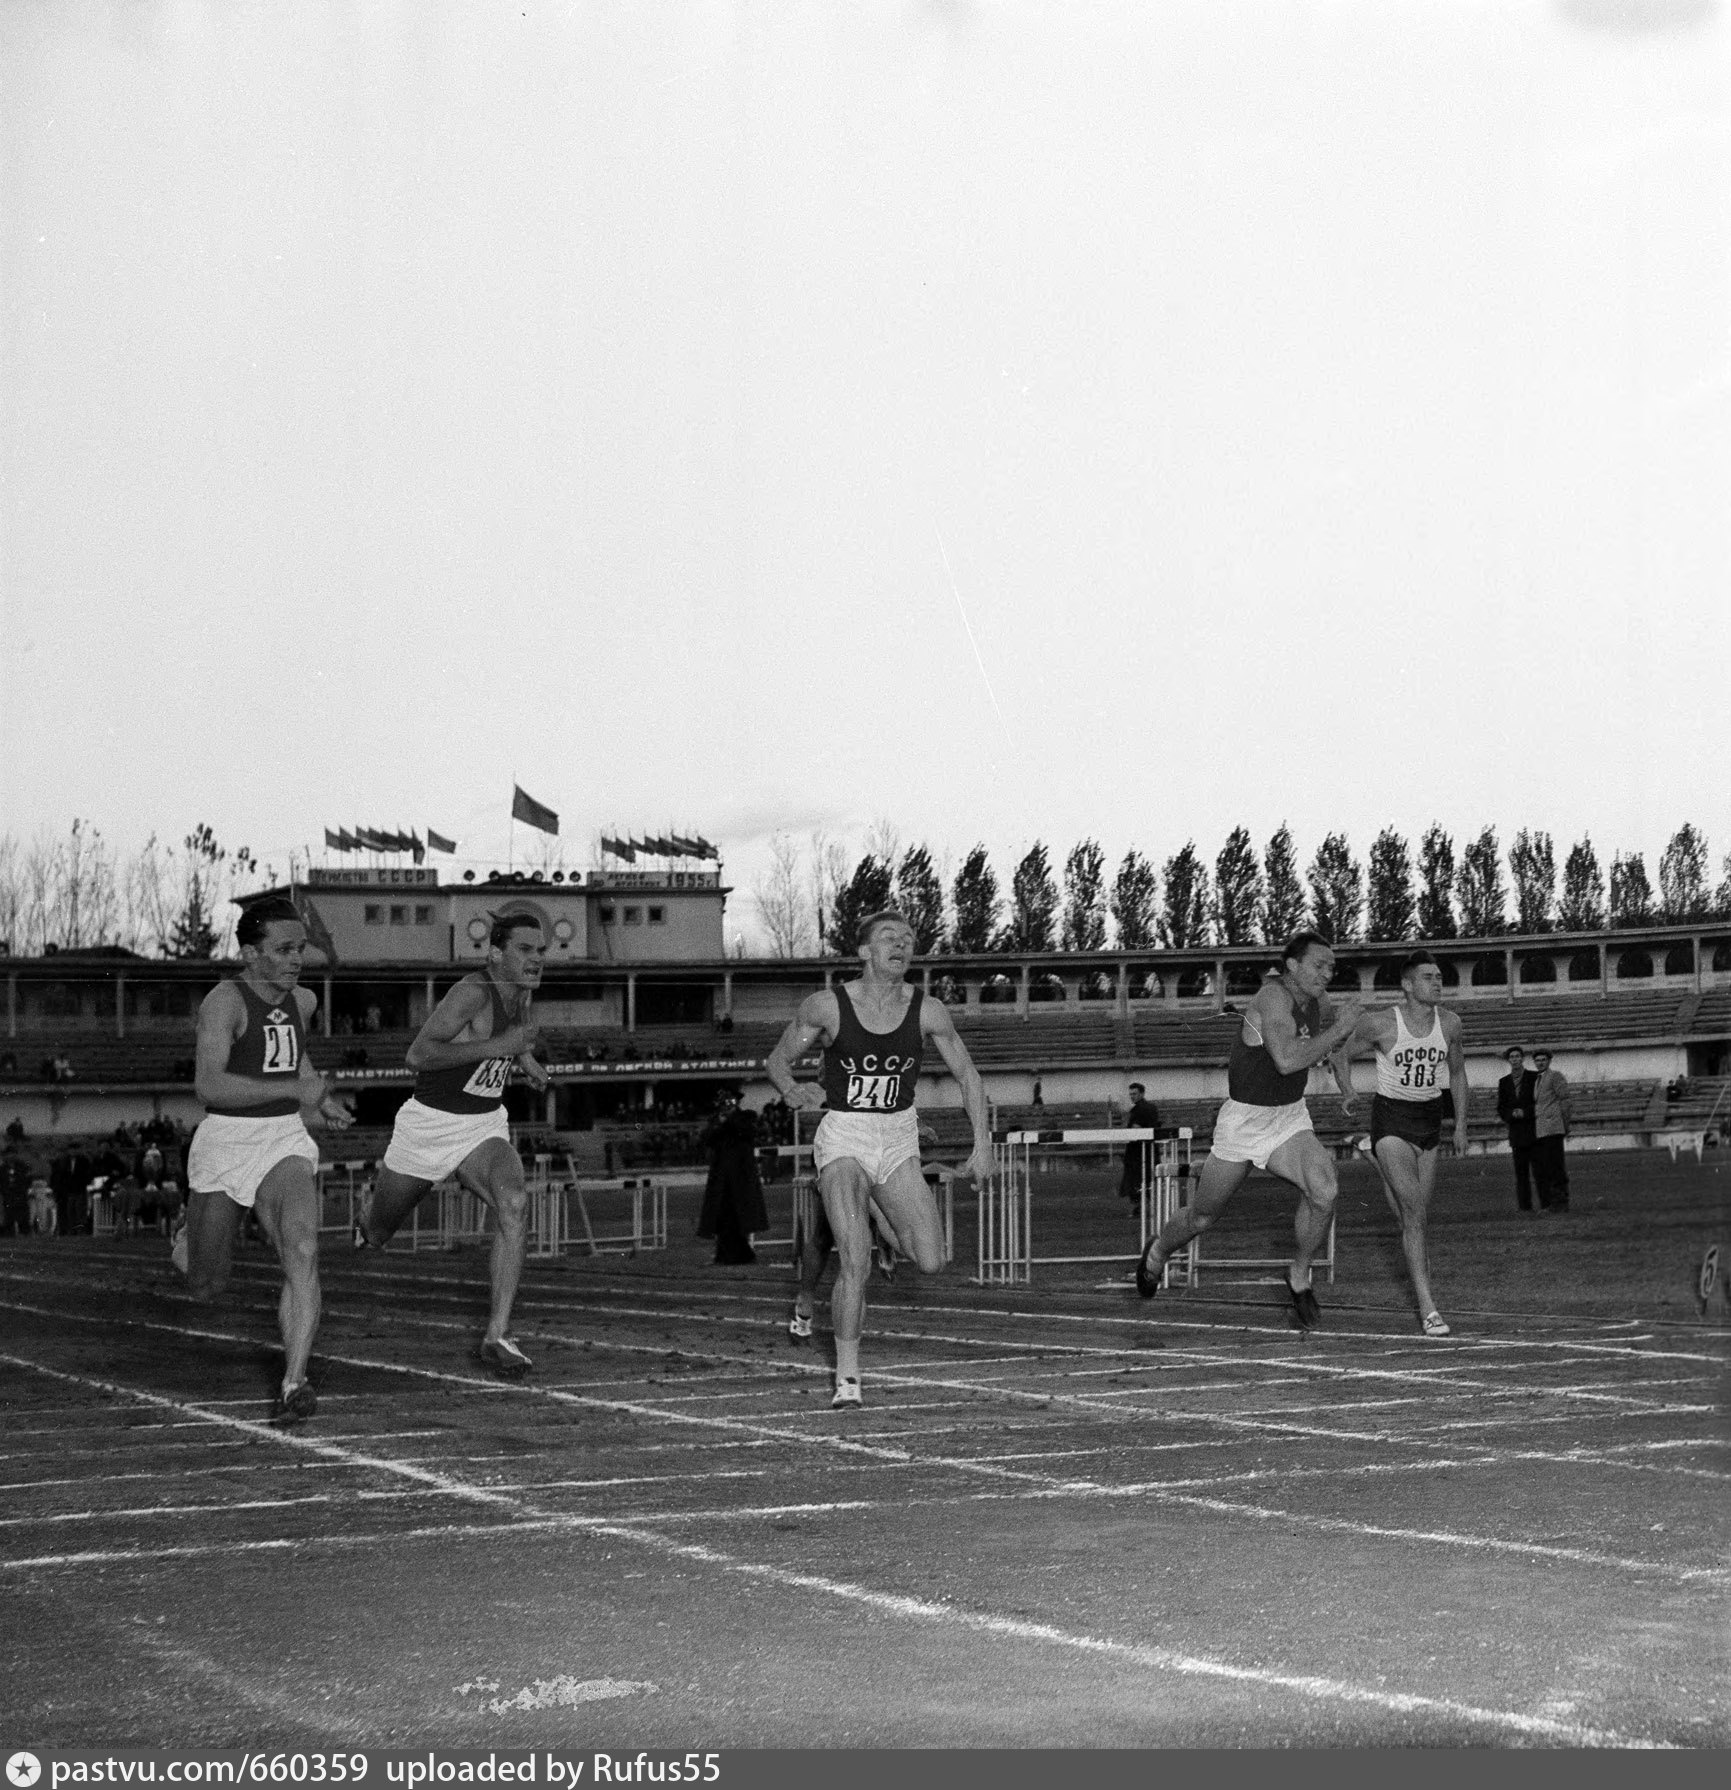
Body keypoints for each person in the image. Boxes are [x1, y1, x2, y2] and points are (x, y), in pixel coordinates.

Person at [766, 910, 993, 1408]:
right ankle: (848, 1379)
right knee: (854, 1259)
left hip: (897, 1137)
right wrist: (789, 1088)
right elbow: (778, 1059)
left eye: (909, 938)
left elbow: (969, 1076)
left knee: (931, 1261)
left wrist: (983, 1144)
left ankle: (874, 1202)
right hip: (845, 1134)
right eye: (889, 937)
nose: (901, 944)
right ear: (865, 951)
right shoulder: (827, 1006)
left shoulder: (929, 1010)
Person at [176, 898, 353, 1424]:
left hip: (283, 1138)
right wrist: (295, 1087)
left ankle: (294, 1380)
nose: (297, 958)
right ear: (252, 955)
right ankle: (188, 1246)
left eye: (301, 948)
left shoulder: (304, 1001)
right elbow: (208, 1086)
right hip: (226, 1142)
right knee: (206, 1284)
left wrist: (317, 1099)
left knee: (301, 1246)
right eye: (284, 949)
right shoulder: (224, 1002)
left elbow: (294, 1057)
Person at [354, 912, 549, 1378]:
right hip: (430, 1127)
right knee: (379, 1233)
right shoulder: (471, 992)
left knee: (515, 1202)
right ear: (495, 953)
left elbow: (512, 1038)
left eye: (541, 951)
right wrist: (500, 1046)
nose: (537, 960)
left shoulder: (519, 990)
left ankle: (496, 1336)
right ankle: (368, 1213)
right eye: (526, 950)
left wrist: (528, 1062)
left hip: (482, 1126)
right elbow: (418, 1055)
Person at [1136, 931, 1362, 1326]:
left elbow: (1333, 1046)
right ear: (1292, 965)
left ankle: (1298, 1275)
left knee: (1324, 1189)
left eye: (1332, 967)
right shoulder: (1272, 998)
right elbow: (1288, 1061)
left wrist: (1346, 1086)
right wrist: (1341, 1028)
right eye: (1319, 965)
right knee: (1202, 1218)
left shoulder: (1318, 1000)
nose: (1327, 974)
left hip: (1288, 1116)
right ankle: (1157, 1253)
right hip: (1245, 1120)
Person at [1341, 950, 1468, 1336]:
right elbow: (1339, 1055)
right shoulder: (1381, 1024)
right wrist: (1347, 1090)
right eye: (1428, 977)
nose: (1437, 982)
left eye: (1439, 976)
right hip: (1392, 1120)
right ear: (1408, 985)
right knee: (1415, 1215)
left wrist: (1460, 1123)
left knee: (1409, 1216)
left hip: (1430, 1123)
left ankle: (1372, 1157)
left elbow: (1458, 1073)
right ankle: (1429, 1308)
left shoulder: (1450, 1024)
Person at [696, 1091, 768, 1264]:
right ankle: (731, 1254)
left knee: (737, 1216)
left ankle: (737, 1254)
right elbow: (706, 1139)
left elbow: (749, 1132)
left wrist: (727, 1122)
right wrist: (719, 1125)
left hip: (741, 1177)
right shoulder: (717, 1121)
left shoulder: (745, 1118)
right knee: (723, 1217)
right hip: (722, 1177)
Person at [1495, 1046, 1540, 1212]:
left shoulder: (1534, 1078)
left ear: (1522, 1058)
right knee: (1521, 1175)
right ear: (1509, 1060)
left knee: (1539, 1172)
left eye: (1517, 1056)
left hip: (1534, 1131)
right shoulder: (1504, 1082)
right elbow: (1501, 1107)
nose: (1514, 1059)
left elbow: (1540, 1103)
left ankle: (1545, 1204)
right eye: (1512, 1057)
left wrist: (1526, 1112)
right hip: (1516, 1133)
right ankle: (1524, 1208)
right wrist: (1511, 1114)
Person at [1532, 1049, 1572, 1213]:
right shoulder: (1538, 1080)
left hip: (1554, 1128)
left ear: (1549, 1061)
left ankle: (1561, 1202)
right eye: (1537, 1060)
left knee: (1556, 1166)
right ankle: (1554, 1202)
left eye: (1543, 1060)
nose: (1540, 1062)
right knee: (1548, 1167)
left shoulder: (1555, 1076)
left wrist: (1565, 1123)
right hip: (1542, 1129)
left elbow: (1565, 1099)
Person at [1119, 1081, 1164, 1203]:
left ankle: (1140, 1205)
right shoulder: (1152, 1108)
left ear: (1142, 1093)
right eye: (1131, 1094)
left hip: (1137, 1151)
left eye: (1134, 1094)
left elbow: (1135, 1130)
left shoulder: (1139, 1109)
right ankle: (1152, 1202)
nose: (1132, 1096)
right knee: (1149, 1177)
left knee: (1135, 1179)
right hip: (1151, 1149)